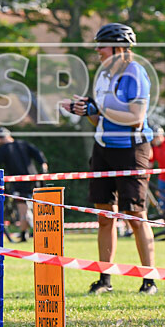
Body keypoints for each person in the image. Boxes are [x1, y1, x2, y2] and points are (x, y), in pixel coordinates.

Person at [61, 22, 157, 295]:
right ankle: (105, 279)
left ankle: (148, 280)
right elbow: (97, 118)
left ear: (119, 48)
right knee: (105, 215)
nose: (97, 50)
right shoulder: (102, 74)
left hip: (131, 149)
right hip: (103, 147)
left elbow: (135, 117)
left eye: (101, 45)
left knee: (136, 215)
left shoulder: (135, 73)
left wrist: (99, 108)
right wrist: (85, 109)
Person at [0, 127, 49, 242]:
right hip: (35, 180)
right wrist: (43, 163)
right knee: (36, 208)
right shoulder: (23, 143)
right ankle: (39, 233)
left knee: (23, 210)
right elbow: (38, 153)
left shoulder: (3, 149)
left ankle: (25, 235)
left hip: (20, 184)